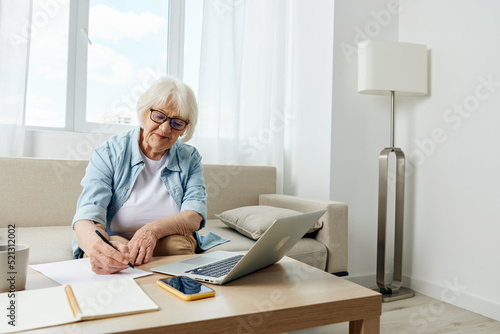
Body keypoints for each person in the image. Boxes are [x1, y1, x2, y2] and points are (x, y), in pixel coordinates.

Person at [72, 76, 207, 275]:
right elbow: (87, 215)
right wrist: (96, 246)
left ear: (185, 129)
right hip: (116, 236)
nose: (165, 129)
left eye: (177, 122)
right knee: (116, 254)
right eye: (159, 116)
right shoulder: (109, 152)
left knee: (176, 246)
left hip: (167, 237)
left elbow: (194, 216)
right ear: (144, 113)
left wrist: (151, 230)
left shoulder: (190, 157)